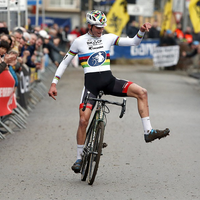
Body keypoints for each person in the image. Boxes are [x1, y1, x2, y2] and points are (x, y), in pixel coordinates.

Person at [48, 10, 170, 173]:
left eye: (102, 27)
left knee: (142, 92)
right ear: (89, 26)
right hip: (91, 86)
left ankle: (148, 132)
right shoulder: (79, 42)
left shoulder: (108, 38)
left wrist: (141, 31)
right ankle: (78, 158)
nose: (101, 30)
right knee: (83, 121)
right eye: (97, 27)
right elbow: (64, 63)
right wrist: (54, 83)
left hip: (109, 82)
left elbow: (134, 42)